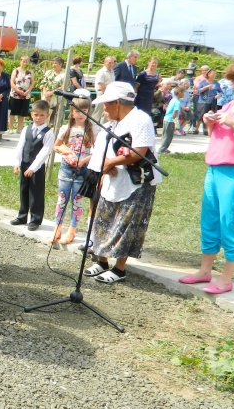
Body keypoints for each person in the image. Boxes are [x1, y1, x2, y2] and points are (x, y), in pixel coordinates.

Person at [178, 49, 234, 295]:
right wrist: (210, 124)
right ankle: (204, 271)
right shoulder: (231, 103)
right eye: (232, 81)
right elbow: (217, 139)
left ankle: (226, 278)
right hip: (215, 169)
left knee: (231, 224)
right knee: (209, 222)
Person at [83, 82, 161, 284]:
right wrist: (103, 167)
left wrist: (112, 162)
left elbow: (139, 151)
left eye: (107, 105)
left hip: (136, 182)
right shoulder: (111, 123)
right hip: (111, 180)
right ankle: (101, 261)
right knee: (103, 219)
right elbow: (102, 149)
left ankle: (119, 268)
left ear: (117, 103)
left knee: (127, 223)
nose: (104, 109)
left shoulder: (140, 120)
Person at [52, 97, 95, 244]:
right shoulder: (66, 129)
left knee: (77, 200)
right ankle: (57, 228)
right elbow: (56, 146)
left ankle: (72, 231)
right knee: (62, 199)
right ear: (71, 112)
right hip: (66, 169)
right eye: (77, 111)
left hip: (82, 170)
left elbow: (96, 151)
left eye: (84, 110)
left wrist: (83, 160)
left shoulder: (92, 130)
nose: (81, 114)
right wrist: (65, 152)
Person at [10, 99, 55, 231]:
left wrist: (32, 168)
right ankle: (22, 215)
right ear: (31, 114)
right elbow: (20, 146)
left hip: (36, 167)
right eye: (36, 114)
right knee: (23, 190)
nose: (38, 118)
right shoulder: (27, 129)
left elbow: (45, 152)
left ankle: (35, 218)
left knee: (36, 193)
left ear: (47, 116)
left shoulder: (48, 132)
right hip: (24, 163)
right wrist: (16, 163)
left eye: (41, 115)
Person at [8, 55, 34, 132]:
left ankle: (19, 129)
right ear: (20, 61)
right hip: (15, 94)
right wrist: (17, 90)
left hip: (25, 95)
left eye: (26, 62)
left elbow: (32, 83)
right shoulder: (15, 70)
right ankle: (11, 128)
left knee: (22, 113)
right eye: (23, 61)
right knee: (12, 112)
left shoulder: (30, 71)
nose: (25, 63)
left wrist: (28, 91)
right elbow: (12, 82)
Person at [39, 57, 65, 130]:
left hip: (57, 98)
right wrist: (45, 93)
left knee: (55, 118)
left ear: (60, 64)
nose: (53, 64)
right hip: (46, 97)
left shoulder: (65, 74)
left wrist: (52, 93)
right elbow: (43, 83)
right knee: (44, 114)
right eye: (53, 63)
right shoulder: (48, 72)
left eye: (55, 63)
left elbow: (64, 86)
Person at [159, 86, 185, 154]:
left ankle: (165, 148)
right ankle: (161, 150)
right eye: (183, 92)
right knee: (168, 137)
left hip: (166, 119)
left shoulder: (173, 99)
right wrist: (176, 124)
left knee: (165, 135)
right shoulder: (177, 102)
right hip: (170, 121)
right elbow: (174, 114)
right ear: (180, 93)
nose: (184, 94)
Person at [195, 69, 222, 135]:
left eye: (215, 74)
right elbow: (199, 91)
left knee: (210, 115)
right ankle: (196, 128)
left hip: (212, 101)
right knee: (200, 115)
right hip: (203, 101)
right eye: (213, 74)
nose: (214, 75)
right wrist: (207, 87)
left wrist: (218, 95)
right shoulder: (203, 82)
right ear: (208, 74)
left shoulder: (216, 83)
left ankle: (206, 130)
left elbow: (221, 91)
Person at [93, 56, 116, 122]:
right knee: (98, 112)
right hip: (102, 93)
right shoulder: (101, 72)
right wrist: (107, 94)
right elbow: (101, 85)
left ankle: (103, 127)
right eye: (109, 63)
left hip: (109, 94)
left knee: (106, 112)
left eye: (113, 63)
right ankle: (92, 127)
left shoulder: (112, 72)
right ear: (105, 63)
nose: (112, 64)